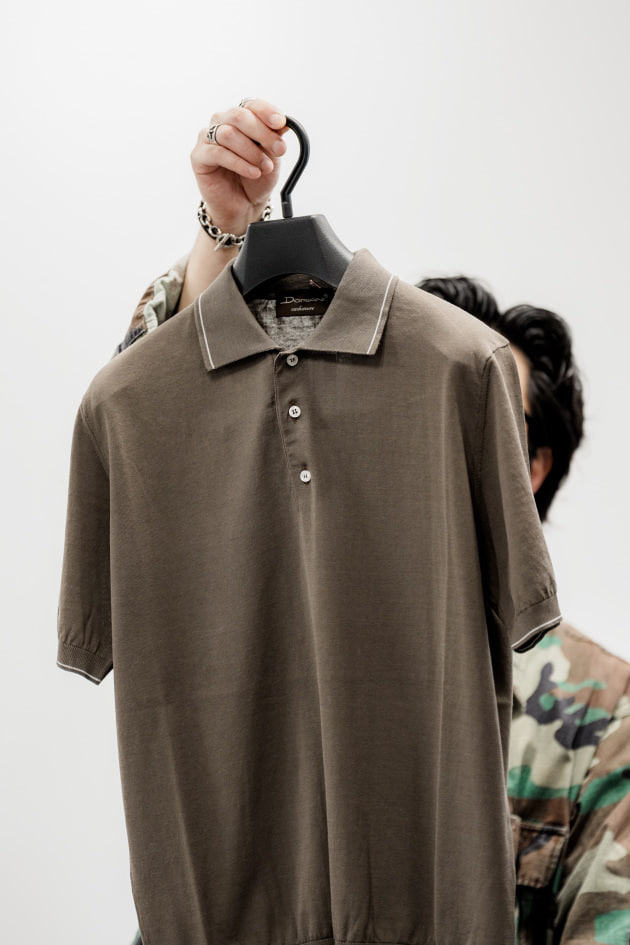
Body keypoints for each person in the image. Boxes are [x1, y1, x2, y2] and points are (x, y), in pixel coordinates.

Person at [120, 101, 630, 944]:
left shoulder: (599, 712)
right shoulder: (281, 622)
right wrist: (224, 235)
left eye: (483, 413)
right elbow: (165, 429)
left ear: (532, 462)